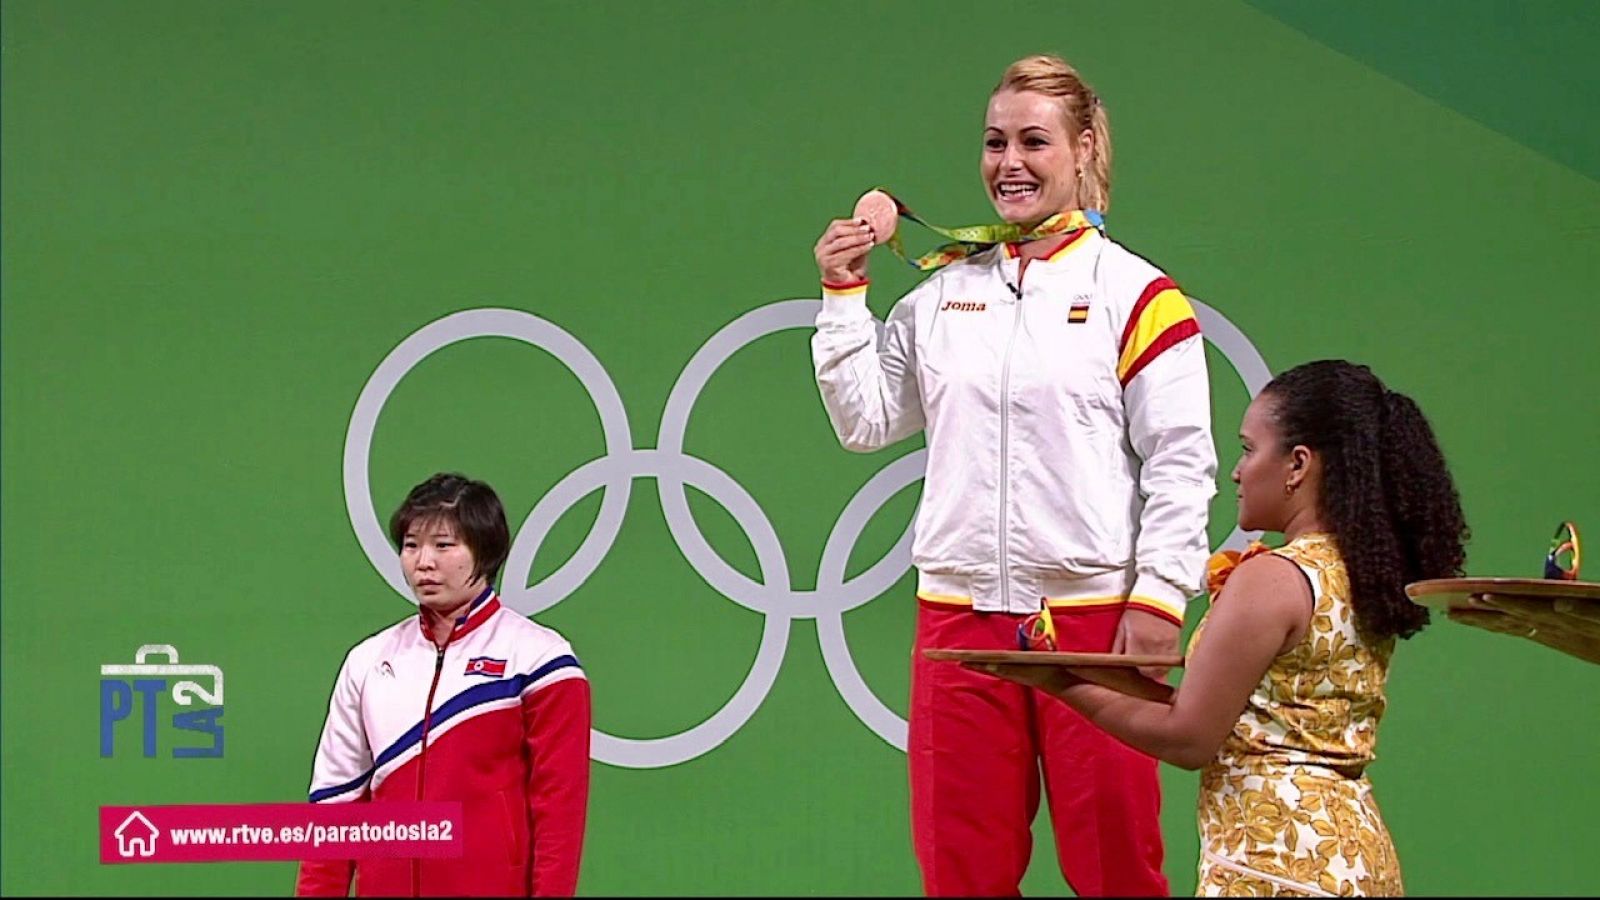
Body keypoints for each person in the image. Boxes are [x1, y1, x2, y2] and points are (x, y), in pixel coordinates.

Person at [811, 53, 1217, 896]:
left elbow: (1183, 464)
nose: (1010, 162)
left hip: (1095, 622)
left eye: (1035, 141)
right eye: (995, 142)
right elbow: (865, 421)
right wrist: (845, 293)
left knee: (1116, 870)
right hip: (957, 621)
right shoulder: (943, 293)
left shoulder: (1138, 295)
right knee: (962, 872)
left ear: (1082, 151)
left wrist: (1159, 598)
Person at [969, 360, 1471, 896]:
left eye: (1249, 449)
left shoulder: (1272, 579)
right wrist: (1066, 665)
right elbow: (1215, 708)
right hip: (1356, 858)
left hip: (1275, 866)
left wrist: (1057, 685)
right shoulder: (1358, 572)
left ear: (1298, 464)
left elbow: (1189, 737)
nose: (1236, 471)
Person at [295, 473, 592, 897]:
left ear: (485, 552)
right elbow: (334, 809)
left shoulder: (542, 660)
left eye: (443, 545)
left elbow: (560, 811)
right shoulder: (368, 661)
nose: (423, 562)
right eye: (412, 545)